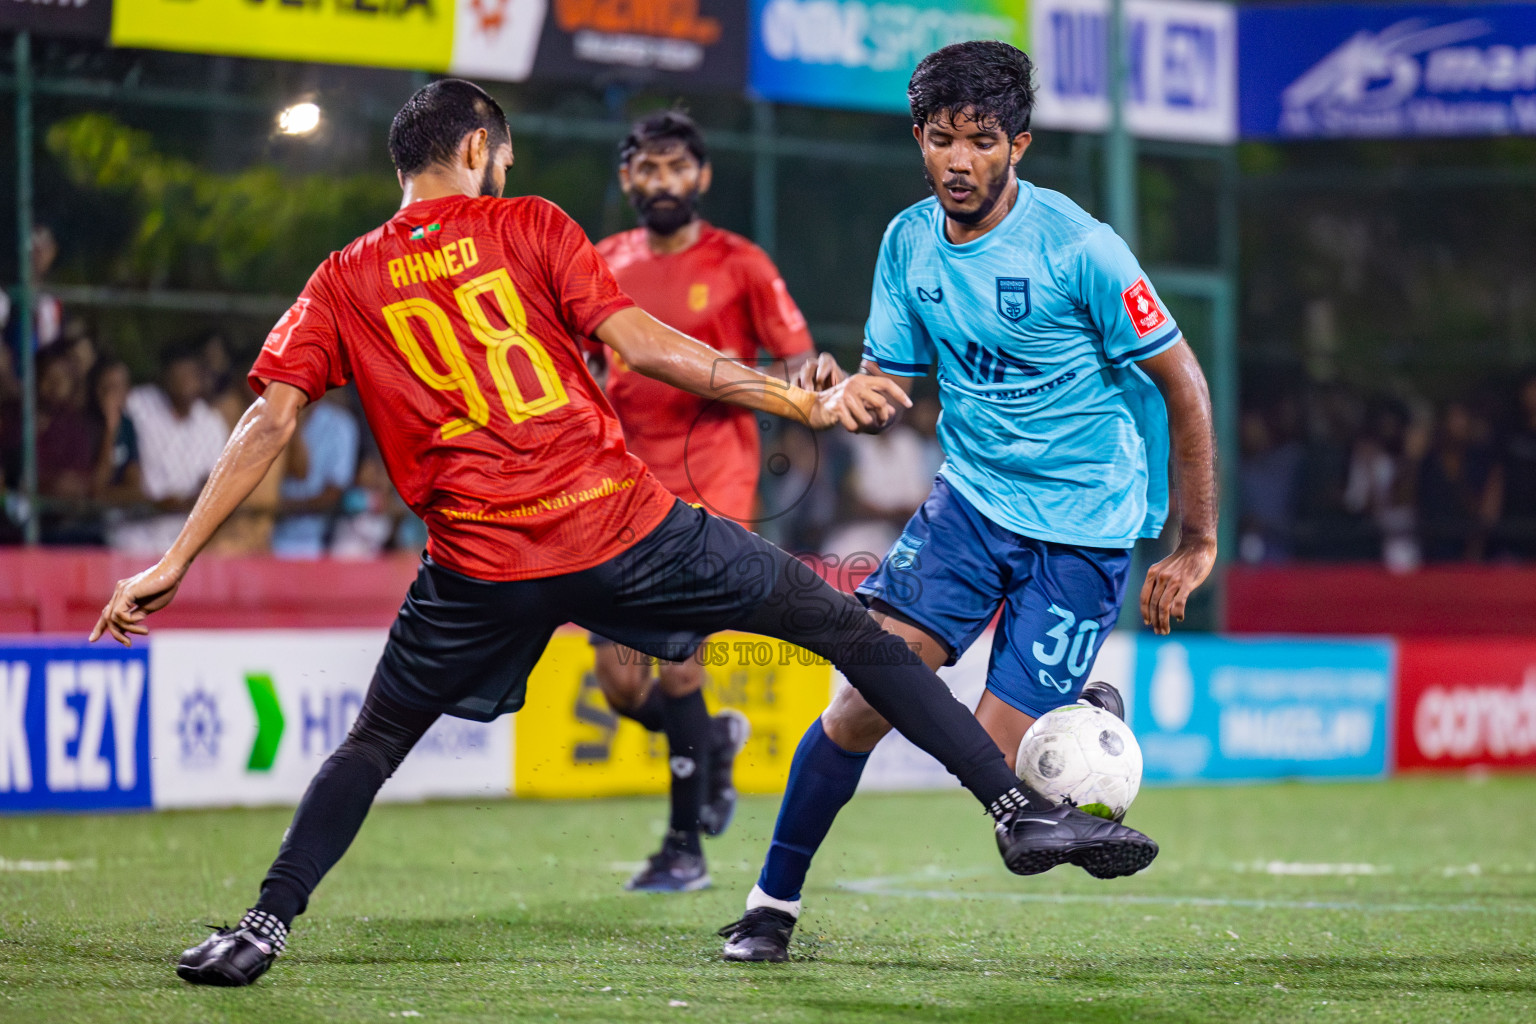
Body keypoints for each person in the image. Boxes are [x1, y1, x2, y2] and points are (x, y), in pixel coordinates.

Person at [88, 79, 1156, 989]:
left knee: (372, 741)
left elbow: (269, 415)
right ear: (478, 149)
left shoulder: (341, 277)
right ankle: (1014, 806)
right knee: (851, 630)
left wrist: (174, 558)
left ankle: (262, 924)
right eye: (497, 151)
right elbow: (644, 345)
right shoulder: (533, 226)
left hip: (475, 568)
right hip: (621, 529)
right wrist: (802, 406)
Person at [718, 41, 1217, 963]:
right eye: (940, 138)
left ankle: (1087, 715)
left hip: (1084, 529)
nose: (958, 160)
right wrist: (854, 400)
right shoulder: (909, 243)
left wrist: (1196, 541)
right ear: (919, 138)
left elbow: (1183, 381)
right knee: (869, 695)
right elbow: (891, 386)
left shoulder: (1079, 250)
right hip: (971, 506)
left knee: (995, 761)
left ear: (1018, 145)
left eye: (980, 140)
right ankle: (770, 905)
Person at [588, 109, 818, 892]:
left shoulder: (741, 263)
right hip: (621, 486)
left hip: (713, 481)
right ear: (627, 178)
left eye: (675, 167)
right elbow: (578, 364)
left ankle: (682, 849)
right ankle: (714, 743)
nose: (661, 182)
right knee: (623, 687)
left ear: (702, 176)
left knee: (678, 662)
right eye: (646, 169)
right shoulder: (600, 261)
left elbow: (799, 363)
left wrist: (812, 400)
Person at [108, 344, 229, 555]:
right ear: (165, 375)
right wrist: (157, 503)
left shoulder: (212, 423)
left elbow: (214, 486)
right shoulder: (137, 405)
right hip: (133, 536)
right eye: (178, 373)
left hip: (184, 541)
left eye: (190, 374)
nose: (184, 381)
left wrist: (196, 499)